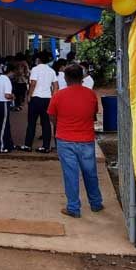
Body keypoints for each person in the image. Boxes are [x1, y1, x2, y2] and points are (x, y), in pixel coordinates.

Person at [48, 64, 104, 218]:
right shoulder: (90, 94)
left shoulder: (59, 95)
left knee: (70, 174)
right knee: (90, 172)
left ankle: (73, 207)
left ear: (65, 78)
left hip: (65, 139)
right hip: (86, 139)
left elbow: (51, 115)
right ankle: (96, 203)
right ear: (81, 78)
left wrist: (59, 125)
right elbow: (94, 113)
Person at [21, 52, 58, 153]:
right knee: (46, 123)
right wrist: (53, 97)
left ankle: (28, 145)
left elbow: (33, 83)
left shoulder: (35, 69)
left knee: (31, 122)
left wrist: (29, 95)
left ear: (38, 59)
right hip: (47, 99)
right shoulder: (51, 71)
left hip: (36, 98)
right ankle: (46, 146)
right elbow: (55, 86)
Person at [0, 62, 17, 153]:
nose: (14, 75)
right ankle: (1, 146)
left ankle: (8, 144)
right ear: (11, 72)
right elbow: (7, 95)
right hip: (3, 104)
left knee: (3, 125)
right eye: (14, 73)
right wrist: (13, 96)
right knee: (3, 126)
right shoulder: (6, 80)